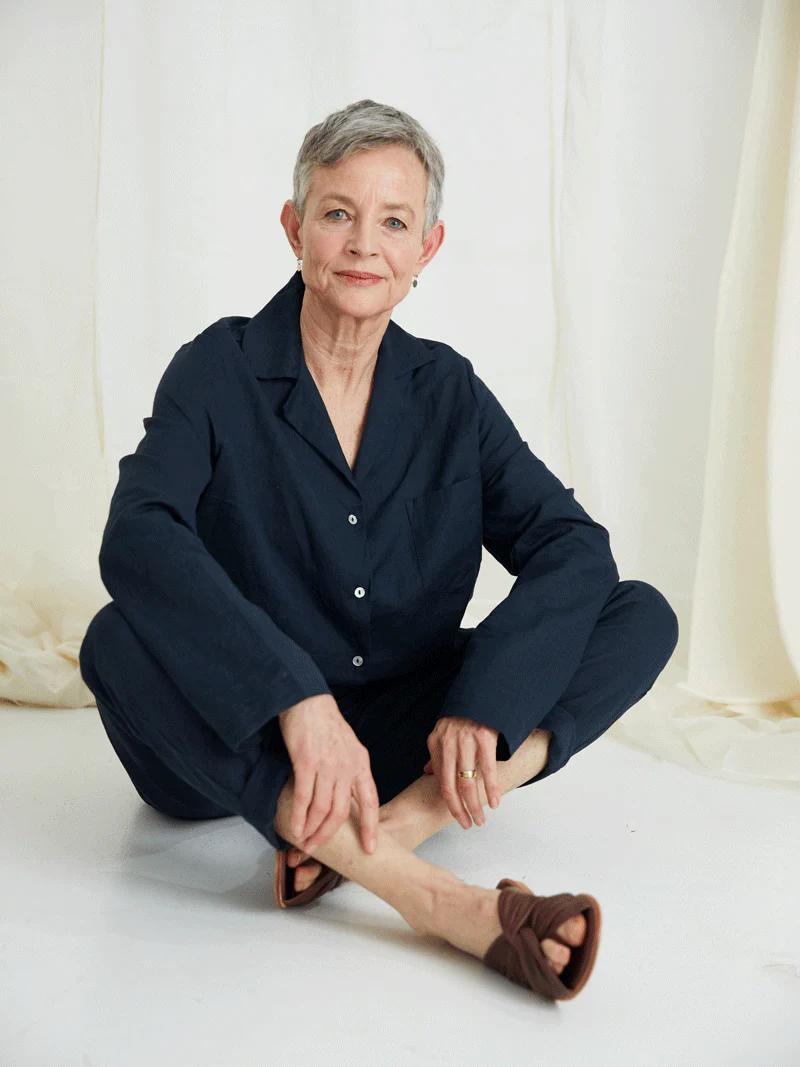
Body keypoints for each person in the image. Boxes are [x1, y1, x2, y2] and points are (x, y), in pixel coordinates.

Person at [79, 98, 678, 1001]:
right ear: (295, 229)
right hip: (234, 740)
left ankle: (390, 830)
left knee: (640, 611)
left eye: (394, 221)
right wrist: (293, 694)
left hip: (405, 736)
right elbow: (137, 534)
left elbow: (570, 546)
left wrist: (486, 704)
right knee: (112, 637)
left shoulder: (449, 391)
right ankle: (437, 899)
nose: (365, 244)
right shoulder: (217, 367)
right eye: (337, 213)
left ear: (425, 251)